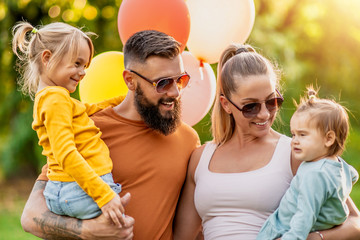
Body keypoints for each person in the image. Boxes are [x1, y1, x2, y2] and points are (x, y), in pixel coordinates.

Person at [20, 29, 200, 240]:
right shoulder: (88, 129)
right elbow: (30, 216)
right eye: (162, 83)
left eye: (180, 80)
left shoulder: (189, 140)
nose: (175, 92)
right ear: (130, 80)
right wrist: (87, 231)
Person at [173, 44, 360, 240]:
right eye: (251, 106)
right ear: (226, 104)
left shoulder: (294, 153)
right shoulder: (200, 159)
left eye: (272, 102)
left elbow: (355, 223)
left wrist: (313, 238)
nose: (264, 113)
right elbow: (181, 237)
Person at [12, 21, 126, 226]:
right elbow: (66, 154)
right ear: (47, 58)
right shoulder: (55, 99)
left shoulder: (53, 97)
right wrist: (104, 195)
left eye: (85, 66)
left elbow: (89, 109)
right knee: (122, 222)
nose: (83, 72)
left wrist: (123, 100)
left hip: (67, 189)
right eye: (77, 63)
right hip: (77, 191)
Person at [256, 88, 359, 240]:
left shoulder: (314, 175)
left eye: (303, 135)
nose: (295, 140)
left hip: (285, 230)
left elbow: (305, 215)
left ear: (329, 139)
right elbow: (353, 176)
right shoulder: (340, 166)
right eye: (293, 134)